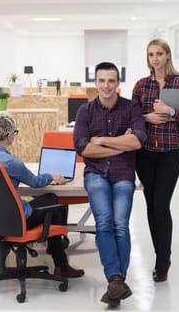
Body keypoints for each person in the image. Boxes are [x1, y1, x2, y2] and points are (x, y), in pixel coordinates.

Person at [73, 62, 146, 307]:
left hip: (124, 174)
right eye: (102, 81)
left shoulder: (131, 107)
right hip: (95, 175)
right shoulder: (85, 111)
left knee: (120, 224)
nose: (106, 86)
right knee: (104, 222)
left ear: (118, 84)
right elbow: (83, 148)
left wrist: (103, 141)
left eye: (111, 81)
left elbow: (137, 142)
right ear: (95, 82)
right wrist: (119, 144)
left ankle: (116, 282)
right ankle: (115, 279)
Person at [0, 111, 84, 278]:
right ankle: (61, 262)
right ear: (8, 135)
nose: (14, 136)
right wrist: (52, 176)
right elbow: (35, 182)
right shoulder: (12, 163)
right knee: (52, 201)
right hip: (16, 220)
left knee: (49, 201)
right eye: (15, 133)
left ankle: (58, 252)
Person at [131, 38, 179, 283]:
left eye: (159, 53)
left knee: (161, 205)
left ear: (167, 55)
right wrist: (147, 116)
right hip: (145, 153)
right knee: (151, 205)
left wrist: (170, 111)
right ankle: (160, 255)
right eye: (150, 54)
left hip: (170, 152)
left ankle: (163, 260)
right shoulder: (141, 85)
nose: (155, 58)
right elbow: (133, 117)